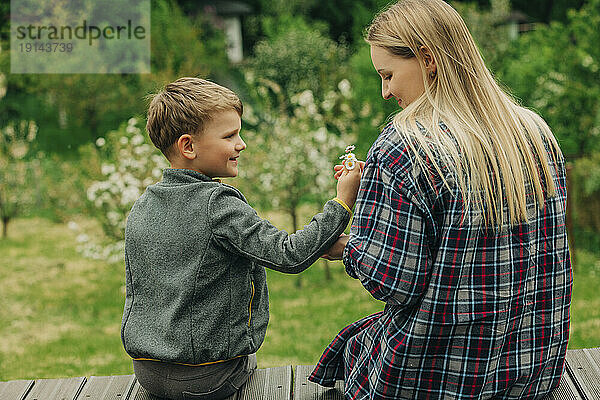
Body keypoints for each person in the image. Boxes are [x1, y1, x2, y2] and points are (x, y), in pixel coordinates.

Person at [310, 0, 572, 399]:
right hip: (528, 375)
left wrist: (346, 247)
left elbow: (394, 282)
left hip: (438, 379)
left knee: (349, 353)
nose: (385, 92)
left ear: (428, 59)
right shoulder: (534, 133)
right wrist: (383, 195)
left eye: (388, 75)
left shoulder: (404, 146)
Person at [120, 77, 362, 400]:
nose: (242, 143)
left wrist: (318, 242)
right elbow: (289, 255)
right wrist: (342, 203)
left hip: (147, 373)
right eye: (230, 135)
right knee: (251, 363)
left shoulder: (143, 204)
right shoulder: (218, 204)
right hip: (209, 378)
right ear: (188, 146)